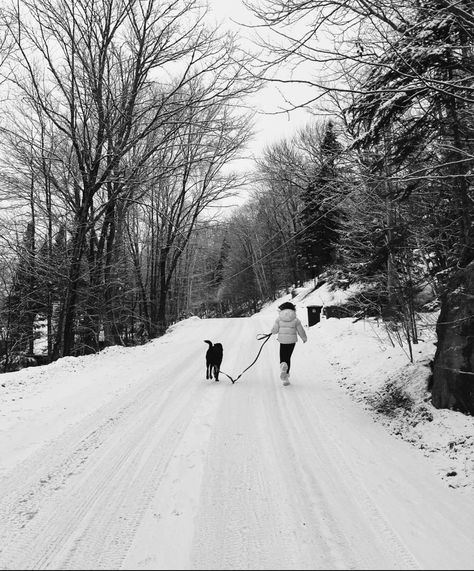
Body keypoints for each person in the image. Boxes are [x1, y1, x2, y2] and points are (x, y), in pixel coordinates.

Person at [271, 301, 307, 385]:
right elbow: (301, 330)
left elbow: (275, 330)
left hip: (282, 341)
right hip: (292, 341)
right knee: (288, 357)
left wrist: (272, 331)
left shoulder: (279, 318)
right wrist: (304, 338)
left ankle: (283, 367)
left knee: (283, 357)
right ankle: (286, 377)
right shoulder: (295, 319)